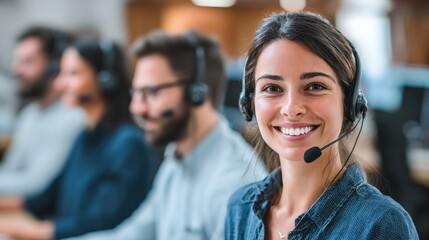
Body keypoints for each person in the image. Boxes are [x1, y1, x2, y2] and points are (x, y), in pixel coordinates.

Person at [225, 11, 419, 239]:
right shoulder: (241, 208)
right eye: (272, 88)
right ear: (249, 104)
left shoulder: (380, 225)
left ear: (349, 103)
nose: (291, 107)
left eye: (315, 86)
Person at [63, 30, 267, 240]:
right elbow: (131, 235)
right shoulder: (176, 159)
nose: (136, 108)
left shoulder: (232, 183)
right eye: (136, 93)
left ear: (196, 93)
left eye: (151, 92)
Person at [0, 38, 156, 239]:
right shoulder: (85, 135)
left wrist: (15, 228)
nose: (59, 84)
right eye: (61, 73)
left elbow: (99, 222)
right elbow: (45, 198)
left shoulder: (128, 144)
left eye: (72, 74)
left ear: (105, 79)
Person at [0, 27, 85, 196]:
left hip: (44, 217)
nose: (17, 69)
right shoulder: (30, 114)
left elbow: (36, 185)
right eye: (17, 61)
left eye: (27, 62)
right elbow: (11, 170)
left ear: (54, 65)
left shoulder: (72, 117)